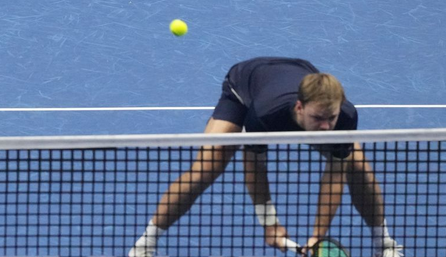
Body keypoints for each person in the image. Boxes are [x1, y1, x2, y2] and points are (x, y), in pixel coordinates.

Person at [130, 57, 403, 257]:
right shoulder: (265, 114)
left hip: (299, 68)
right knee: (207, 166)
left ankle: (385, 244)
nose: (325, 127)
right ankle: (145, 244)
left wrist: (318, 237)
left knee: (357, 165)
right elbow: (255, 168)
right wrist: (270, 223)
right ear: (299, 106)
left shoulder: (345, 117)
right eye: (318, 119)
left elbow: (334, 176)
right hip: (244, 84)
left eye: (330, 118)